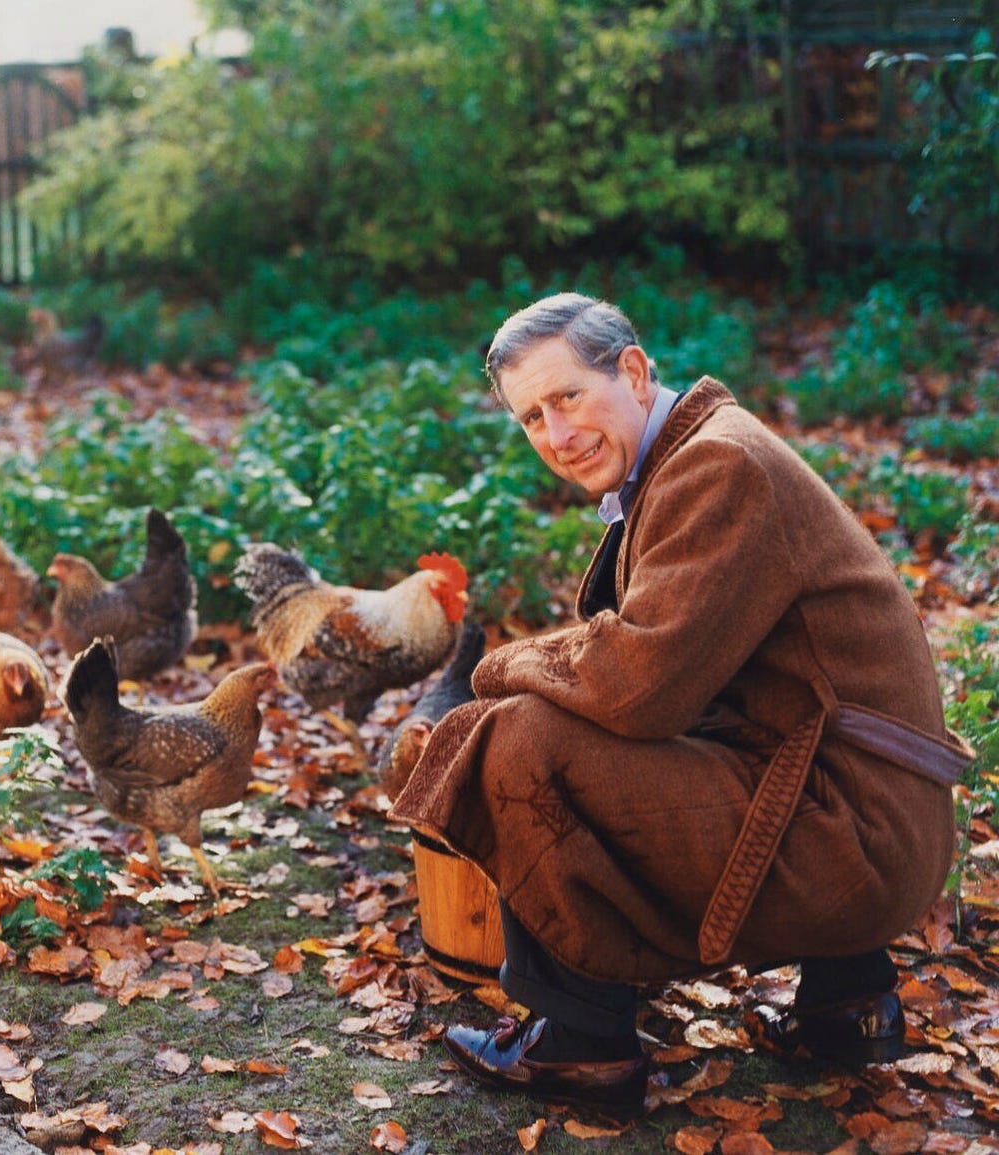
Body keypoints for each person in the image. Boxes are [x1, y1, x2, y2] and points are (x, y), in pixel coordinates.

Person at [390, 292, 970, 1120]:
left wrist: (501, 666)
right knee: (560, 713)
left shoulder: (716, 464)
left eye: (568, 398)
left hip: (859, 831)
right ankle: (849, 1003)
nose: (556, 436)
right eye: (530, 418)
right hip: (871, 809)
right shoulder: (695, 452)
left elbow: (641, 684)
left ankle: (580, 1041)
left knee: (516, 739)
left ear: (631, 371)